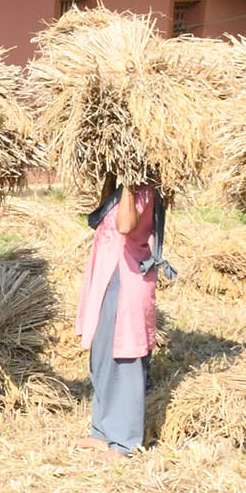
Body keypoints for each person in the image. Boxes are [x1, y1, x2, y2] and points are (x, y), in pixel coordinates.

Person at [78, 179, 162, 456]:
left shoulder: (144, 190)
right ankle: (102, 432)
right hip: (106, 278)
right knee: (102, 355)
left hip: (126, 281)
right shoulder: (120, 188)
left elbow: (125, 226)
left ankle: (125, 440)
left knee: (124, 358)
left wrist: (128, 179)